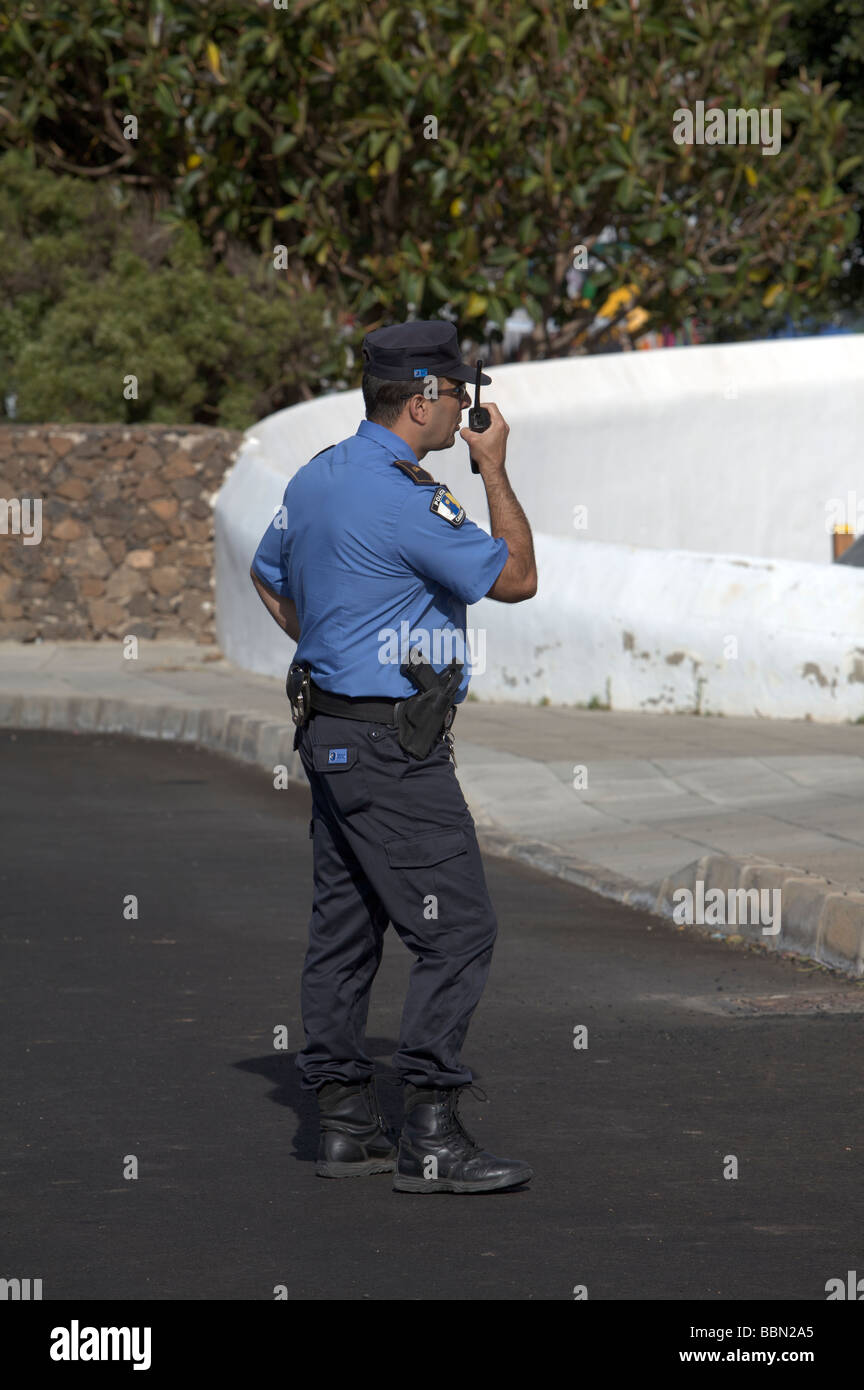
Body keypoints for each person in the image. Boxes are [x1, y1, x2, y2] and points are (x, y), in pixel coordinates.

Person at [249, 319, 537, 1194]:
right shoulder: (408, 500)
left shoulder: (318, 475)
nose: (464, 408)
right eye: (457, 393)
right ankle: (431, 1133)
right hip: (391, 747)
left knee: (346, 928)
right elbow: (517, 576)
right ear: (421, 397)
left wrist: (332, 644)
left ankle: (342, 1126)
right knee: (458, 930)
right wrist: (492, 468)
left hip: (332, 733)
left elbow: (267, 573)